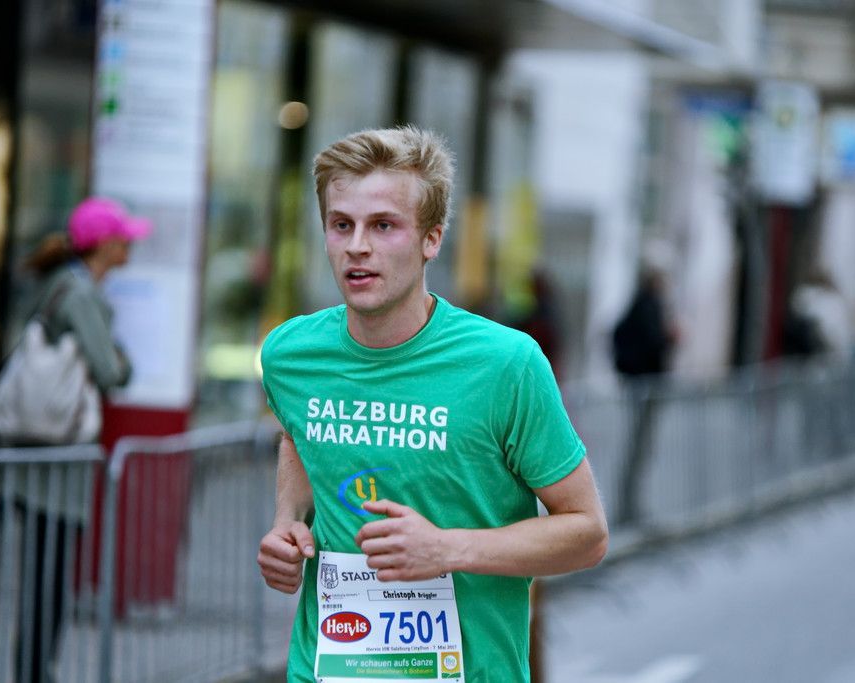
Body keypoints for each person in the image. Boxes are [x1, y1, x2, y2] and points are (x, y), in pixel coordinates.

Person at [257, 126, 608, 682]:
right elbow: (299, 436)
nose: (357, 246)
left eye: (384, 226)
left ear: (432, 239)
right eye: (341, 224)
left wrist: (446, 549)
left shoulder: (506, 364)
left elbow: (587, 532)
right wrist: (287, 522)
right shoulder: (289, 354)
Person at [8, 196, 150, 683]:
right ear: (104, 243)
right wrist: (122, 358)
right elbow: (111, 372)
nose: (130, 244)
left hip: (36, 454)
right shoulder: (82, 293)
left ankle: (32, 670)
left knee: (40, 576)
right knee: (48, 580)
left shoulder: (60, 284)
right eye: (124, 237)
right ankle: (35, 672)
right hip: (56, 461)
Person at [611, 252, 678, 524]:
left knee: (639, 448)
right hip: (645, 384)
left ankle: (629, 504)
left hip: (643, 383)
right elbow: (652, 342)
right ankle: (627, 506)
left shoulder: (642, 302)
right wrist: (669, 337)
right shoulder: (648, 304)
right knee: (638, 448)